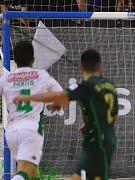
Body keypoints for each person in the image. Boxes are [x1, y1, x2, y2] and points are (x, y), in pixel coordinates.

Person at [14, 49, 119, 180]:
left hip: (98, 142)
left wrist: (28, 97)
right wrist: (90, 123)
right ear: (99, 65)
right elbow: (114, 115)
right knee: (76, 177)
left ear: (80, 66)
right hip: (102, 139)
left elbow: (58, 95)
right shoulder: (110, 86)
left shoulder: (86, 86)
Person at [0, 41, 64, 180]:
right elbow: (61, 95)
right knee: (24, 171)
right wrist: (57, 104)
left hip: (11, 132)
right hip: (31, 129)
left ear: (15, 60)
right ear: (33, 59)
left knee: (32, 172)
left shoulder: (5, 78)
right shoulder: (41, 75)